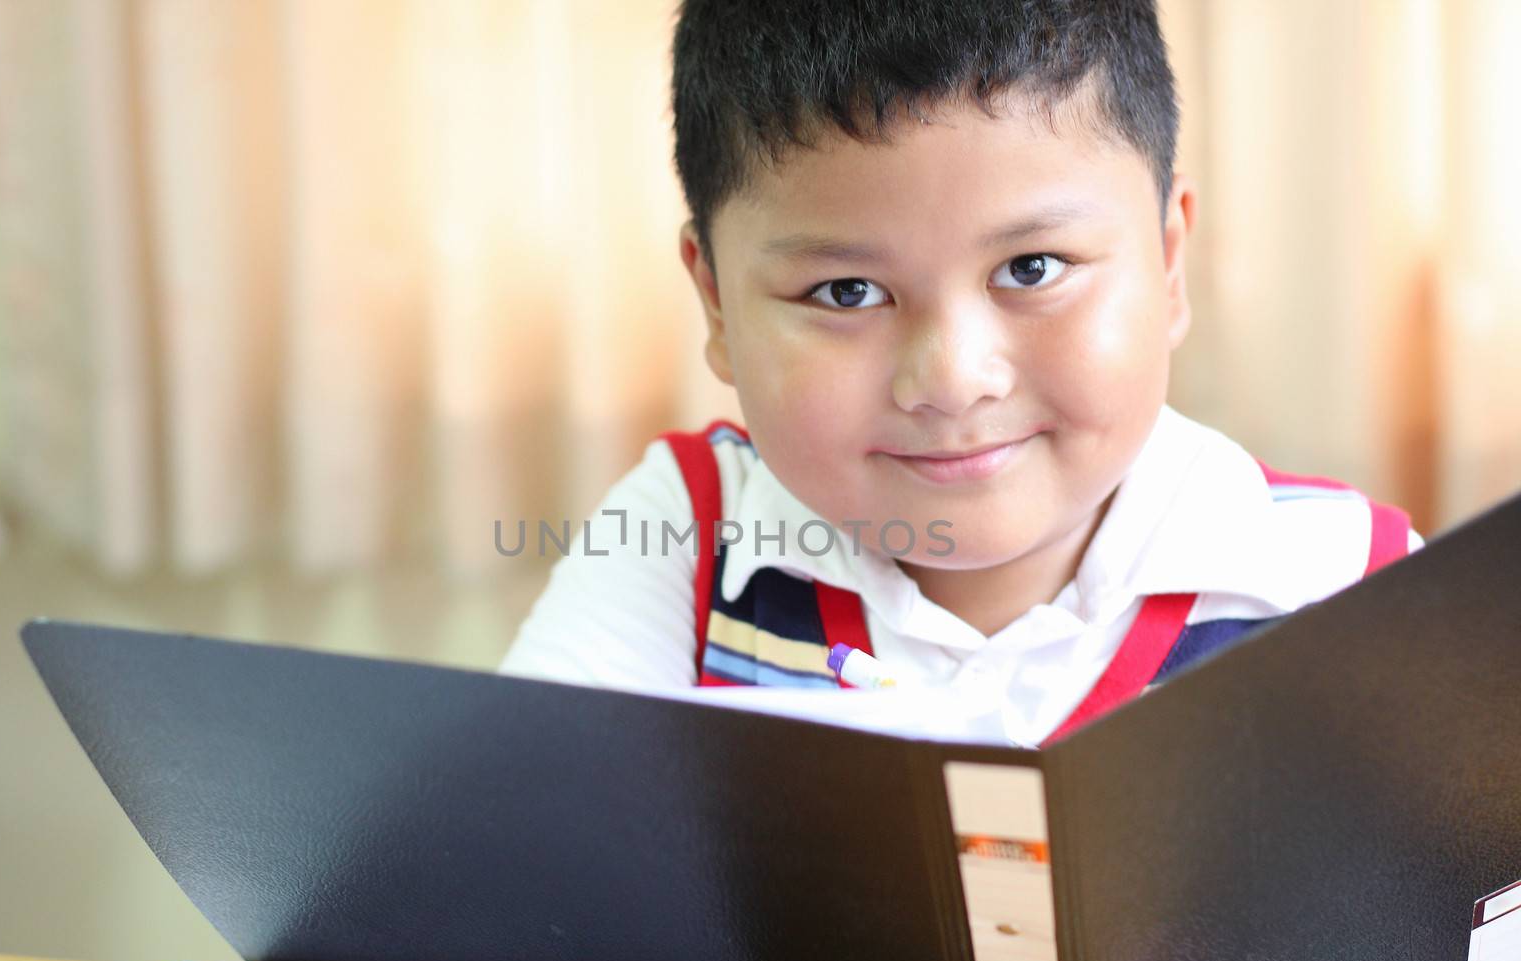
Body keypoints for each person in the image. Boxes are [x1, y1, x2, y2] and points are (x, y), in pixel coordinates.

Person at [499, 0, 1417, 746]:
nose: (952, 378)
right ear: (717, 308)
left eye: (1032, 269)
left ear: (1169, 261)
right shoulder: (687, 539)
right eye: (847, 290)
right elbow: (514, 864)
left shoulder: (1351, 586)